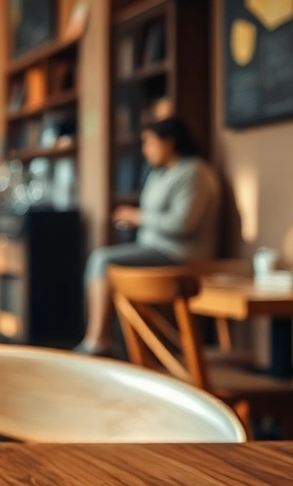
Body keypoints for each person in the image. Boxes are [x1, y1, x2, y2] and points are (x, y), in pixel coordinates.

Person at [76, 117, 219, 355]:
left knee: (102, 259)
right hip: (153, 247)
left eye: (150, 143)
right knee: (103, 260)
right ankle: (111, 341)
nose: (146, 150)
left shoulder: (194, 172)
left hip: (178, 253)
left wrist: (137, 217)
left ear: (170, 142)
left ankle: (98, 341)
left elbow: (183, 224)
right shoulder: (158, 174)